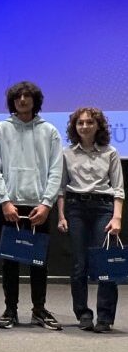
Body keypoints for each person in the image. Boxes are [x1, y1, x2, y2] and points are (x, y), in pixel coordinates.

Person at [0, 81, 63, 330]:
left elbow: (55, 171)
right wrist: (4, 201)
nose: (22, 100)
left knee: (38, 262)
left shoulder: (50, 131)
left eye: (27, 96)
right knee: (9, 262)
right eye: (18, 96)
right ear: (12, 101)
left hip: (39, 207)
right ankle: (10, 310)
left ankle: (39, 309)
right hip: (10, 206)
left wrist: (47, 204)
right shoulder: (0, 129)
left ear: (35, 100)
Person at [57, 107, 124, 333]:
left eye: (89, 122)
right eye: (80, 123)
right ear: (74, 127)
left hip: (103, 209)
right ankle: (83, 314)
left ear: (98, 126)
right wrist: (61, 215)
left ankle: (105, 317)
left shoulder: (110, 153)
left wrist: (117, 218)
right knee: (79, 265)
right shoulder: (67, 153)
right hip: (75, 208)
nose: (84, 126)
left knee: (105, 264)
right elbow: (61, 189)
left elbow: (118, 190)